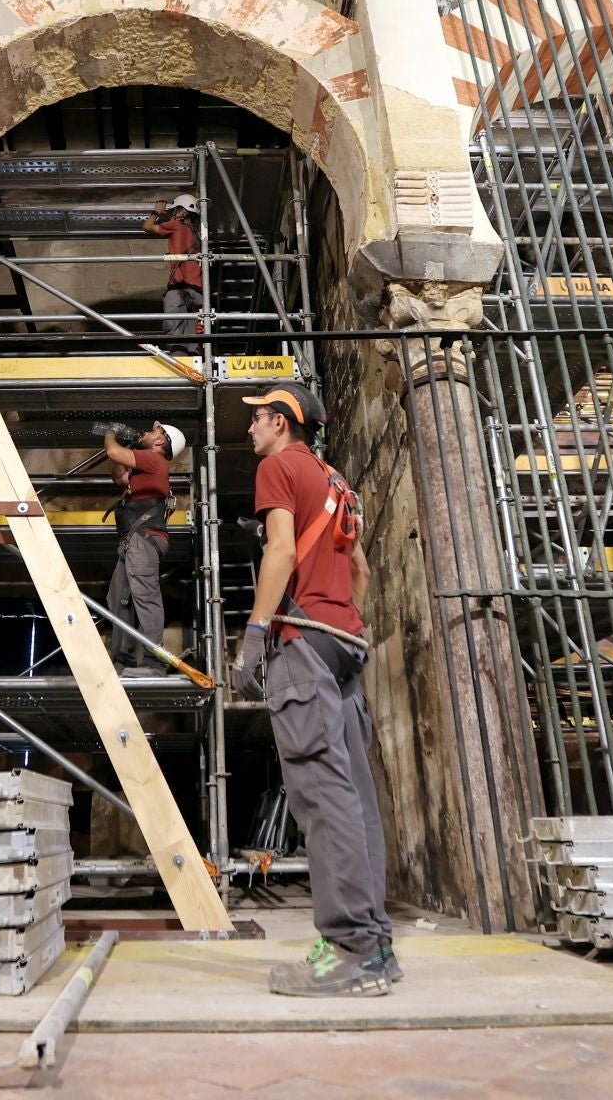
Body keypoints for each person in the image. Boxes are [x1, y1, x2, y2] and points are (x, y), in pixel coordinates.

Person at [231, 382, 395, 998]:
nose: (250, 430)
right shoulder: (336, 480)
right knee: (355, 798)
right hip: (346, 643)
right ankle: (375, 943)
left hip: (302, 640)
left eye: (256, 419)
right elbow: (361, 571)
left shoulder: (279, 468)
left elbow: (278, 551)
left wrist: (251, 635)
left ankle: (349, 950)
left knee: (323, 800)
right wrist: (350, 627)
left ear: (281, 422)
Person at [103, 420, 187, 673]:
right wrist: (125, 448)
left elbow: (112, 452)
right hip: (134, 541)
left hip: (143, 538)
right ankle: (122, 661)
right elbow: (119, 477)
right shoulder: (145, 468)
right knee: (117, 598)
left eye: (154, 432)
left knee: (145, 598)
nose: (148, 432)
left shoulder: (154, 460)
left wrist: (111, 433)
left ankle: (155, 663)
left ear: (160, 442)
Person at [144, 194, 202, 354]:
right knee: (194, 340)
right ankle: (194, 366)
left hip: (178, 289)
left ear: (183, 212)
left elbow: (148, 227)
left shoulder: (177, 226)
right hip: (198, 293)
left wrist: (156, 212)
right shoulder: (197, 236)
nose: (173, 214)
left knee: (176, 337)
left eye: (176, 210)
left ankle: (180, 366)